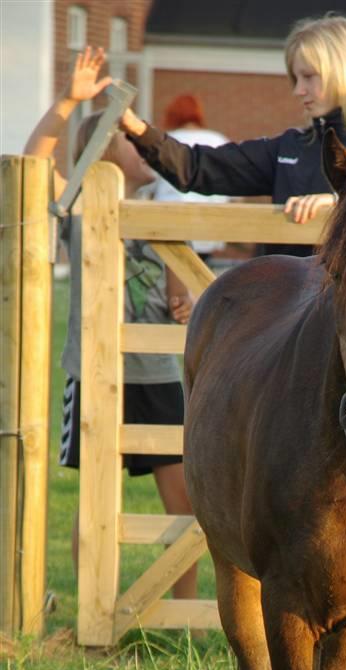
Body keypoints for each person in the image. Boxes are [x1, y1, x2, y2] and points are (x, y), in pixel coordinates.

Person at [24, 47, 198, 601]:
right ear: (99, 149)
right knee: (96, 502)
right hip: (95, 376)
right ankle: (92, 606)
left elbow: (184, 283)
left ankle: (184, 612)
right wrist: (69, 101)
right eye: (128, 137)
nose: (142, 142)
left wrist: (185, 303)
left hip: (157, 373)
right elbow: (33, 164)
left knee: (185, 500)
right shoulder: (77, 206)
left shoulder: (161, 208)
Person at [119, 14, 346, 253]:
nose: (298, 90)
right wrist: (136, 128)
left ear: (345, 72)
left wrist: (339, 202)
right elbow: (195, 168)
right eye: (295, 78)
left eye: (309, 77)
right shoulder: (289, 147)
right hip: (285, 311)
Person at [152, 94, 230, 262]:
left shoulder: (166, 141)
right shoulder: (218, 140)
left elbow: (150, 184)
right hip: (209, 229)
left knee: (173, 280)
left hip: (170, 226)